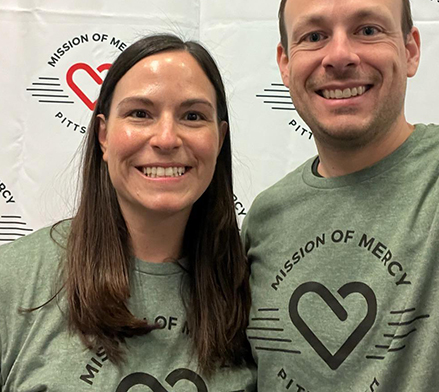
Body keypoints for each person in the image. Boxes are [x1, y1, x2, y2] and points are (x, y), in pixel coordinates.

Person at [242, 0, 439, 391]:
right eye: (315, 35)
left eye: (367, 29)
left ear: (411, 50)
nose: (339, 56)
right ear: (285, 64)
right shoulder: (265, 219)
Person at [0, 34, 256, 391]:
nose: (166, 138)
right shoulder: (12, 280)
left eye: (193, 116)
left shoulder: (255, 288)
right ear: (103, 136)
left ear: (219, 139)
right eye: (140, 114)